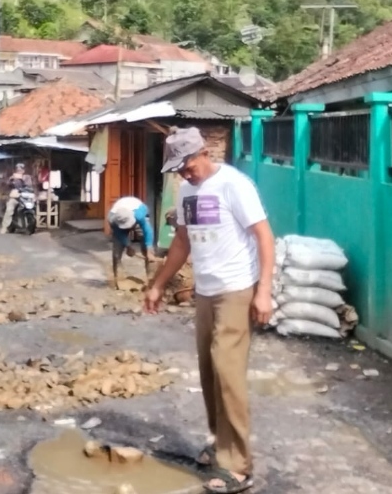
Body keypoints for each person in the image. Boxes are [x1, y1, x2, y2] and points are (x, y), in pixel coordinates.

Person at [143, 127, 275, 494]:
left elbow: (265, 235)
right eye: (178, 169)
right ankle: (221, 444)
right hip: (206, 290)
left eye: (187, 165)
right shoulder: (187, 191)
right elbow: (182, 242)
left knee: (228, 373)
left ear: (203, 152)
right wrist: (158, 284)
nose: (185, 174)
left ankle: (240, 465)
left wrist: (263, 291)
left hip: (237, 290)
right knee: (209, 370)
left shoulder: (235, 185)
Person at [107, 196, 154, 290]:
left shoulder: (139, 214)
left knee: (147, 248)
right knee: (116, 253)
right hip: (120, 222)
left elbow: (148, 231)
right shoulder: (112, 220)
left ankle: (151, 279)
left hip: (137, 211)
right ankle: (118, 278)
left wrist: (149, 250)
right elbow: (119, 234)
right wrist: (128, 246)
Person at [0, 163, 30, 234]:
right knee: (9, 210)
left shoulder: (26, 177)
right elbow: (7, 185)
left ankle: (26, 227)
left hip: (24, 197)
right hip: (14, 197)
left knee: (26, 211)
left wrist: (22, 179)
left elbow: (29, 186)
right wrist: (11, 179)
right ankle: (4, 227)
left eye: (20, 170)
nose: (19, 171)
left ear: (23, 171)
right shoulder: (13, 177)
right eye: (18, 170)